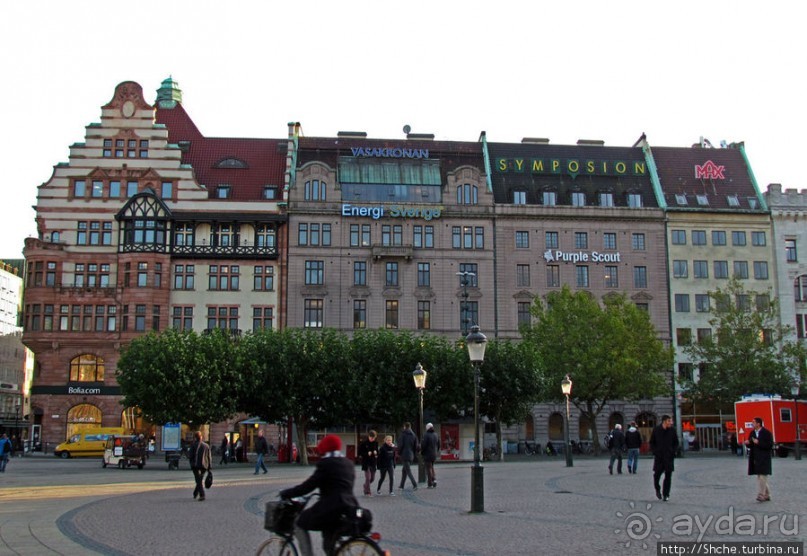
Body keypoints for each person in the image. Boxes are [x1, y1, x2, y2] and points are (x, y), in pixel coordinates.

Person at [280, 434, 359, 555]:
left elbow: (308, 486)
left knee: (299, 523)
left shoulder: (326, 463)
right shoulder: (348, 463)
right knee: (329, 543)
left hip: (330, 508)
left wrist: (287, 493)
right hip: (349, 507)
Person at [649, 415, 679, 501]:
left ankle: (666, 494)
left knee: (668, 476)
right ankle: (657, 489)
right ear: (664, 421)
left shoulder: (672, 430)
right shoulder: (656, 430)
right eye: (669, 421)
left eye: (671, 421)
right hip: (659, 457)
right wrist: (655, 451)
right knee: (656, 475)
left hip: (669, 457)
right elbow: (652, 442)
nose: (671, 423)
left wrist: (673, 452)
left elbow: (676, 442)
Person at [747, 416, 773, 502]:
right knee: (760, 476)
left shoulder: (766, 433)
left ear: (758, 423)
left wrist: (759, 443)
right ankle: (767, 495)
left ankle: (761, 495)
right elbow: (751, 444)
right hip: (755, 457)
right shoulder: (752, 433)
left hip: (764, 457)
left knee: (762, 476)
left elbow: (769, 445)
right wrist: (747, 443)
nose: (752, 424)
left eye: (753, 422)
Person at [189, 431, 211, 501]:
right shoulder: (206, 445)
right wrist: (209, 467)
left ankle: (202, 494)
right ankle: (195, 492)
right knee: (199, 479)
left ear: (195, 438)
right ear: (201, 437)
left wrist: (191, 463)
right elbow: (209, 457)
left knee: (198, 480)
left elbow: (190, 456)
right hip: (204, 465)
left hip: (195, 465)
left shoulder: (193, 445)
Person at [398, 422, 419, 491]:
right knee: (404, 470)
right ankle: (401, 485)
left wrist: (399, 453)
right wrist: (413, 453)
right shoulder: (414, 435)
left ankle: (415, 485)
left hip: (404, 455)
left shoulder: (403, 434)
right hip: (411, 455)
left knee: (408, 471)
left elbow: (400, 445)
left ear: (404, 426)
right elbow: (416, 446)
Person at [357, 430, 378, 496]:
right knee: (368, 478)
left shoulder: (376, 443)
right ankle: (368, 492)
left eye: (373, 438)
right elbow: (359, 454)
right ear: (368, 436)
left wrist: (376, 453)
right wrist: (366, 454)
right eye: (371, 438)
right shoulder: (363, 443)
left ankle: (365, 485)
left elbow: (377, 452)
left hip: (373, 462)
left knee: (372, 479)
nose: (372, 439)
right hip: (366, 463)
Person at [421, 423, 440, 488]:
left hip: (427, 454)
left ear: (427, 428)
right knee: (431, 467)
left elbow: (423, 445)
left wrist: (422, 452)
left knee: (428, 469)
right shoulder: (436, 434)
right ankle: (434, 480)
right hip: (434, 454)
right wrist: (436, 451)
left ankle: (430, 484)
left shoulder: (426, 435)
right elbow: (438, 445)